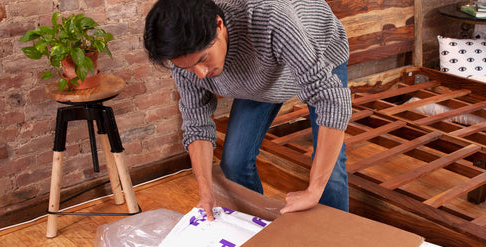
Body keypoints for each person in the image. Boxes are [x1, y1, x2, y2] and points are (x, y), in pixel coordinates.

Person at [143, 0, 351, 220]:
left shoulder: (271, 19)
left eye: (203, 59)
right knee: (234, 163)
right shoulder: (185, 63)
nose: (200, 73)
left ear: (219, 25)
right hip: (261, 76)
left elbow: (331, 101)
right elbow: (197, 124)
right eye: (189, 67)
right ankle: (259, 229)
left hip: (319, 56)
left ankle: (334, 243)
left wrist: (313, 190)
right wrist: (206, 193)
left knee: (331, 170)